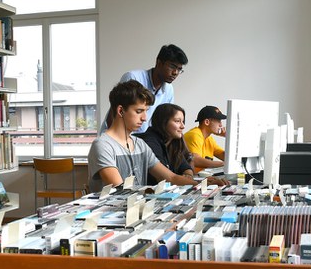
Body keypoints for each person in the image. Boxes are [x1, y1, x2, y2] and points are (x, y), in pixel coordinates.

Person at [88, 81, 226, 190]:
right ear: (120, 111)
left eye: (146, 111)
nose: (144, 117)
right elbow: (120, 190)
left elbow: (170, 177)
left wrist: (201, 182)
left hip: (135, 212)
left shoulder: (139, 144)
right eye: (139, 111)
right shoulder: (103, 145)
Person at [100, 44, 188, 134]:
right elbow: (115, 113)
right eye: (172, 67)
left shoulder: (169, 89)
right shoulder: (133, 77)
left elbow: (164, 121)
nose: (175, 72)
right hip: (118, 137)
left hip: (143, 141)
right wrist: (116, 141)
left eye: (179, 69)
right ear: (159, 63)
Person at [136, 103, 227, 186]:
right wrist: (201, 183)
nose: (183, 126)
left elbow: (185, 166)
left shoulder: (173, 141)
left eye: (183, 121)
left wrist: (188, 175)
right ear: (163, 122)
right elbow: (169, 178)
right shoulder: (150, 143)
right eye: (177, 121)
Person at [184, 105, 227, 173]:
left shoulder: (209, 139)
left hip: (200, 178)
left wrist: (228, 137)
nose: (221, 125)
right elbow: (195, 160)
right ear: (207, 122)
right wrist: (223, 164)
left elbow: (226, 157)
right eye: (218, 121)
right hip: (188, 179)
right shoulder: (195, 135)